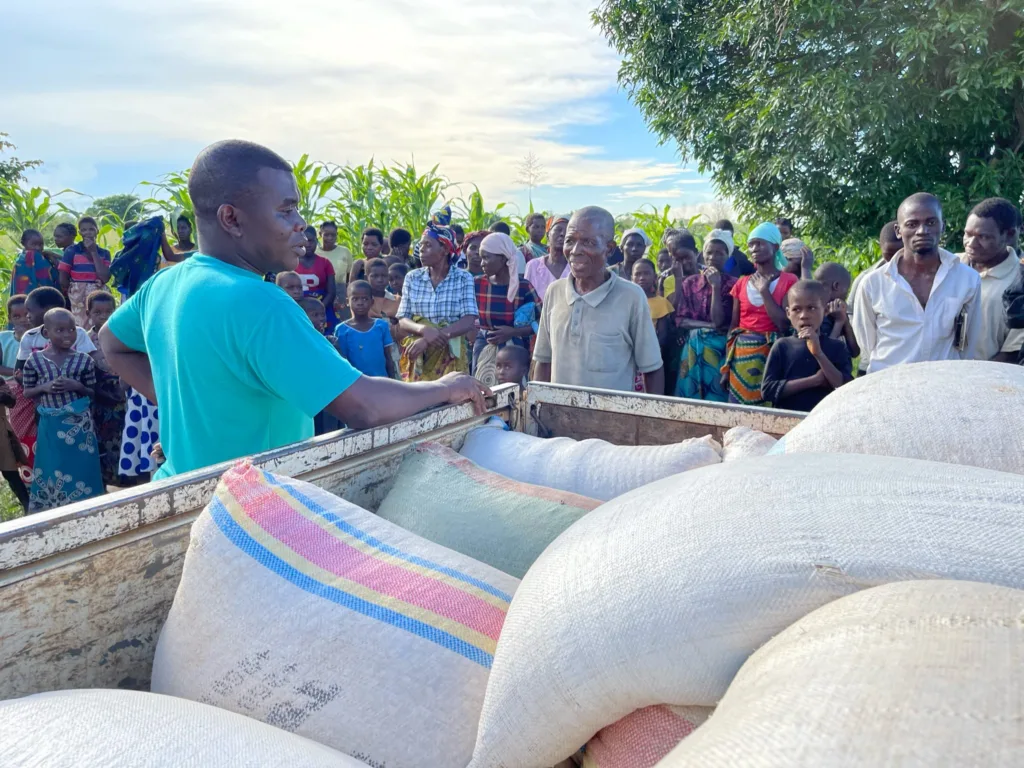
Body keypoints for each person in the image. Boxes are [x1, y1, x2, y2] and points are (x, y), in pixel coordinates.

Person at [100, 140, 489, 479]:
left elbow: (111, 343)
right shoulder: (260, 303)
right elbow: (365, 406)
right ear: (231, 218)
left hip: (183, 491)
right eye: (286, 211)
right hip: (254, 512)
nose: (301, 223)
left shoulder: (163, 285)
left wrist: (181, 413)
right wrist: (443, 387)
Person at [534, 206, 664, 393]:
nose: (575, 251)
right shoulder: (554, 292)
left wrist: (652, 420)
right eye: (569, 241)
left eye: (588, 242)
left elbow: (652, 369)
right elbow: (543, 361)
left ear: (609, 249)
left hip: (612, 420)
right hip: (557, 419)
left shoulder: (631, 297)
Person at [853, 193, 982, 373]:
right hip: (889, 385)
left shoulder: (967, 279)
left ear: (942, 226)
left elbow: (968, 340)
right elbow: (867, 343)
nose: (922, 231)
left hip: (943, 383)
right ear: (899, 231)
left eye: (931, 222)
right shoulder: (874, 284)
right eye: (912, 224)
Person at [22, 308, 102, 512]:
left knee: (82, 467)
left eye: (71, 330)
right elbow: (27, 392)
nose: (67, 335)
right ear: (46, 333)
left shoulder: (84, 360)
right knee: (51, 467)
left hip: (79, 428)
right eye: (60, 330)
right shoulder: (35, 361)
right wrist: (44, 388)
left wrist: (78, 387)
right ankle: (53, 511)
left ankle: (88, 508)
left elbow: (93, 392)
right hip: (50, 425)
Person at [396, 207, 480, 382]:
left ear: (444, 249)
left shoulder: (463, 278)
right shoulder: (413, 277)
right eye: (421, 245)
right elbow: (403, 318)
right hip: (418, 353)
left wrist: (430, 339)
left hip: (450, 354)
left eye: (428, 245)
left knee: (451, 402)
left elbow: (468, 319)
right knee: (418, 403)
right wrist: (424, 330)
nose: (421, 249)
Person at [721, 221, 798, 405]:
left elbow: (784, 324)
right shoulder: (741, 283)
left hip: (772, 356)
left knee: (769, 409)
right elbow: (733, 327)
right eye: (751, 244)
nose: (754, 248)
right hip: (741, 357)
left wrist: (764, 292)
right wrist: (726, 368)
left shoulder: (789, 281)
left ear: (775, 246)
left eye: (760, 243)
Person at [761, 280, 852, 412]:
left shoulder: (836, 347)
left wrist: (819, 354)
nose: (804, 316)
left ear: (825, 310)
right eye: (796, 309)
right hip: (788, 422)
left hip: (825, 419)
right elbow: (767, 391)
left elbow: (845, 388)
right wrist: (813, 380)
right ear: (788, 313)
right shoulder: (782, 346)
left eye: (812, 308)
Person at [674, 229, 737, 401]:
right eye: (709, 252)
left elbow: (719, 321)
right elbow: (681, 320)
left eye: (720, 253)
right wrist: (708, 326)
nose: (713, 257)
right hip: (693, 348)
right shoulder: (690, 283)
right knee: (690, 399)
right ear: (703, 255)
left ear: (727, 256)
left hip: (719, 350)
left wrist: (715, 286)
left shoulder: (734, 285)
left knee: (717, 396)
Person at [958, 198, 1024, 363]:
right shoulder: (948, 266)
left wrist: (976, 379)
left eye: (983, 237)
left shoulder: (1019, 281)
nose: (971, 243)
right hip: (938, 376)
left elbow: (1013, 352)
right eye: (968, 234)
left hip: (987, 381)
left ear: (1008, 234)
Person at [472, 233, 541, 386]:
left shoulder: (523, 287)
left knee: (514, 392)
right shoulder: (477, 284)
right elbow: (467, 317)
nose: (482, 263)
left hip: (515, 352)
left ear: (503, 258)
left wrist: (513, 332)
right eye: (481, 258)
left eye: (486, 258)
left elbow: (540, 321)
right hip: (485, 345)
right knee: (483, 389)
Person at [86, 291, 131, 487]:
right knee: (104, 441)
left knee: (125, 436)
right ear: (88, 313)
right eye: (98, 312)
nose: (103, 316)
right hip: (99, 395)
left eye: (108, 311)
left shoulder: (121, 333)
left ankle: (127, 477)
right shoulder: (84, 339)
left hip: (123, 391)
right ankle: (108, 480)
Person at [849, 221, 901, 374]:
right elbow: (852, 313)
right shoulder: (867, 279)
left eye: (899, 254)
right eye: (889, 255)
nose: (893, 261)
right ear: (880, 247)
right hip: (873, 362)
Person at [18, 286, 98, 369]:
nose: (27, 316)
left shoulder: (79, 333)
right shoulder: (29, 337)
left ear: (49, 311)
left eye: (30, 311)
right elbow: (21, 370)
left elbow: (90, 365)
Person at [334, 281, 398, 380]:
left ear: (372, 302)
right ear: (347, 302)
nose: (360, 303)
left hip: (382, 382)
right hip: (356, 384)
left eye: (364, 299)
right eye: (355, 299)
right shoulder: (342, 330)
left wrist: (393, 381)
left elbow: (388, 358)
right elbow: (343, 362)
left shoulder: (381, 326)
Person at [59, 216, 111, 327]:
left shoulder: (104, 253)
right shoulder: (72, 250)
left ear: (97, 231)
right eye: (84, 230)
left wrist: (93, 251)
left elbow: (105, 278)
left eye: (91, 229)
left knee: (100, 323)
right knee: (80, 324)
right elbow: (63, 276)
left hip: (98, 294)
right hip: (77, 294)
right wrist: (73, 291)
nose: (88, 232)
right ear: (80, 233)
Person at [632, 259, 674, 391]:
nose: (642, 278)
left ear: (655, 277)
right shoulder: (627, 301)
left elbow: (663, 337)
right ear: (631, 277)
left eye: (646, 273)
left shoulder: (661, 303)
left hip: (651, 357)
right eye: (638, 274)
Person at [813, 262, 860, 357]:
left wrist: (845, 321)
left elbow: (854, 352)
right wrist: (839, 322)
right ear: (836, 286)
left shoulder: (838, 311)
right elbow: (827, 354)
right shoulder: (818, 315)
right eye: (847, 290)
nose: (846, 295)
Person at [295, 226, 338, 327]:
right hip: (297, 311)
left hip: (322, 309)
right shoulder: (291, 262)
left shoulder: (325, 263)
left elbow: (331, 292)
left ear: (316, 241)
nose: (308, 245)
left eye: (311, 241)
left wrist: (319, 309)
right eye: (305, 241)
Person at [524, 216, 569, 300]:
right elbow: (526, 299)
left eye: (567, 232)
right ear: (548, 234)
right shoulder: (533, 266)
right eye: (558, 229)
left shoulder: (576, 268)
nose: (563, 234)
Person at [11, 229, 60, 297]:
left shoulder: (19, 259)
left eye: (41, 244)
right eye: (34, 244)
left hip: (22, 300)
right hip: (42, 299)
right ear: (23, 243)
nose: (38, 248)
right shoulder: (38, 258)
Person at [661, 230, 701, 305]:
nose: (684, 262)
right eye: (679, 259)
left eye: (687, 257)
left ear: (696, 253)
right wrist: (678, 280)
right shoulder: (669, 281)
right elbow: (673, 310)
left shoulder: (706, 276)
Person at [317, 221, 355, 294]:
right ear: (320, 234)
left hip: (340, 291)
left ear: (337, 235)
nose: (330, 238)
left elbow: (349, 275)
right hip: (319, 290)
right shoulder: (315, 253)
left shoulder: (345, 251)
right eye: (326, 235)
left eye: (333, 235)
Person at [0, 295, 32, 378]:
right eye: (17, 317)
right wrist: (16, 373)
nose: (23, 320)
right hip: (7, 384)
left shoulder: (41, 337)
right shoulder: (2, 338)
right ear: (9, 319)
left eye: (27, 314)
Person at [364, 258, 400, 322]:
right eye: (375, 276)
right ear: (366, 278)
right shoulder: (361, 299)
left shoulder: (397, 300)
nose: (380, 280)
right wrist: (390, 319)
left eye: (384, 276)